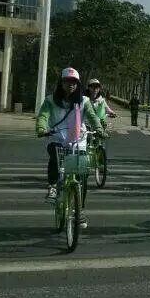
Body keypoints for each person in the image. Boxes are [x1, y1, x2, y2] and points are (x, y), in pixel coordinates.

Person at [35, 68, 106, 206]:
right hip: (57, 138)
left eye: (74, 82)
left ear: (78, 84)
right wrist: (41, 128)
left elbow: (92, 117)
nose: (71, 84)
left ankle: (80, 209)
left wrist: (99, 129)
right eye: (67, 81)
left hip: (78, 140)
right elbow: (43, 116)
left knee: (83, 176)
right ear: (61, 83)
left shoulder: (84, 101)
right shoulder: (50, 100)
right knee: (55, 158)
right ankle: (52, 187)